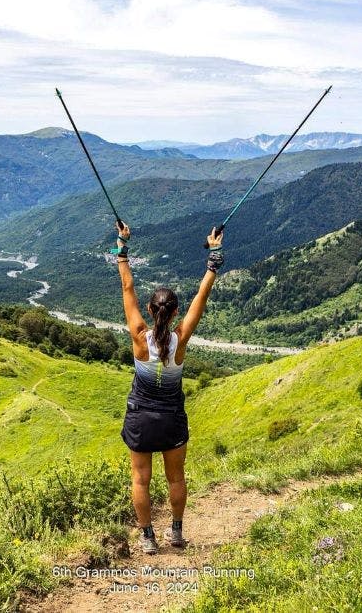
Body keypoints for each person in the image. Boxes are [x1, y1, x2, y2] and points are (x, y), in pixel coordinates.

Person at [112, 221, 225, 555]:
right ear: (175, 312)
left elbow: (127, 289)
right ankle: (176, 532)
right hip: (172, 419)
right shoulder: (180, 341)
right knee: (176, 478)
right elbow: (200, 302)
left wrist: (122, 246)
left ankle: (147, 538)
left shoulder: (138, 337)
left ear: (150, 310)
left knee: (140, 479)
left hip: (140, 420)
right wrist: (213, 259)